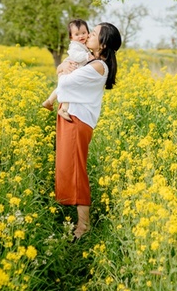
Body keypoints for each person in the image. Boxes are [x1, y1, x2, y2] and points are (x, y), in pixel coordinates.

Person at [54, 22, 121, 241]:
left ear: (102, 43)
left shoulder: (98, 66)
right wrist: (62, 68)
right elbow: (62, 73)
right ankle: (77, 220)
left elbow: (64, 84)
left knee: (76, 171)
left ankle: (83, 226)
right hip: (72, 117)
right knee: (67, 168)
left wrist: (63, 71)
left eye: (93, 33)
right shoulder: (90, 61)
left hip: (77, 120)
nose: (88, 36)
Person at [42, 19, 91, 122]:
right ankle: (64, 109)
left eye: (84, 33)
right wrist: (87, 56)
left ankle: (50, 101)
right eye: (77, 34)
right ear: (71, 37)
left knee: (62, 87)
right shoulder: (74, 46)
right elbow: (76, 56)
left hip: (72, 69)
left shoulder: (84, 44)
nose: (81, 36)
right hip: (70, 69)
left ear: (88, 33)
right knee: (67, 88)